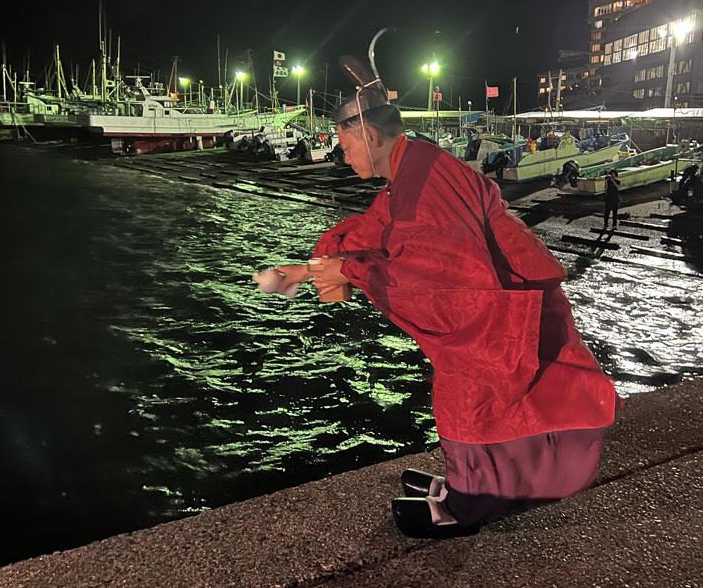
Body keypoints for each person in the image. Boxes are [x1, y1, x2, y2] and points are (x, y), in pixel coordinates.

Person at [257, 54, 619, 538]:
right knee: (507, 395)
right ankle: (476, 484)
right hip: (514, 290)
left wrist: (347, 269)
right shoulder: (416, 166)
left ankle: (470, 501)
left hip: (501, 303)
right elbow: (378, 232)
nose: (341, 154)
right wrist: (310, 268)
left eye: (343, 143)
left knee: (472, 392)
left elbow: (433, 276)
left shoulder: (419, 185)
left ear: (368, 135)